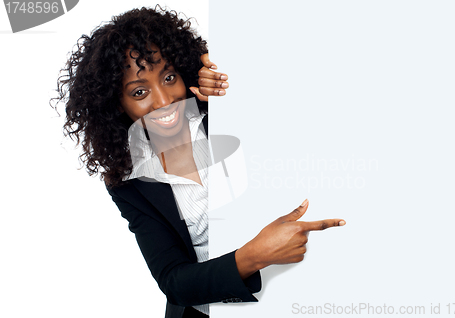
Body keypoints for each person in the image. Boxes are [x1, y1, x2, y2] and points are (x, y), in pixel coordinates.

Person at [53, 6, 346, 318]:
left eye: (169, 77)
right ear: (116, 104)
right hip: (207, 310)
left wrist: (230, 80)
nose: (164, 101)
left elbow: (298, 97)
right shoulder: (127, 181)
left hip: (298, 290)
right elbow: (174, 281)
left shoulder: (226, 118)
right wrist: (253, 256)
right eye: (139, 91)